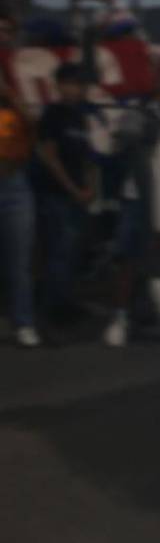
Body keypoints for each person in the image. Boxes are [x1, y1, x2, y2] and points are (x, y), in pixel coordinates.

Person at [102, 46, 160, 347]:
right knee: (129, 256)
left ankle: (153, 314)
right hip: (138, 196)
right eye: (159, 69)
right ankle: (121, 316)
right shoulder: (139, 112)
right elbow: (121, 149)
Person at [33, 61, 95, 323]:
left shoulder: (79, 117)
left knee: (71, 252)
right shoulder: (53, 115)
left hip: (76, 194)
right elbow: (50, 157)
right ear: (59, 86)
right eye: (71, 84)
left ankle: (65, 302)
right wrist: (72, 189)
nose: (76, 90)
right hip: (56, 194)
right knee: (58, 251)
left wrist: (89, 188)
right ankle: (52, 309)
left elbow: (86, 157)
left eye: (80, 85)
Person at [0, 80, 37, 346]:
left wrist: (9, 94)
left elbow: (34, 125)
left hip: (15, 188)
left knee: (19, 264)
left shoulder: (12, 111)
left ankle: (22, 323)